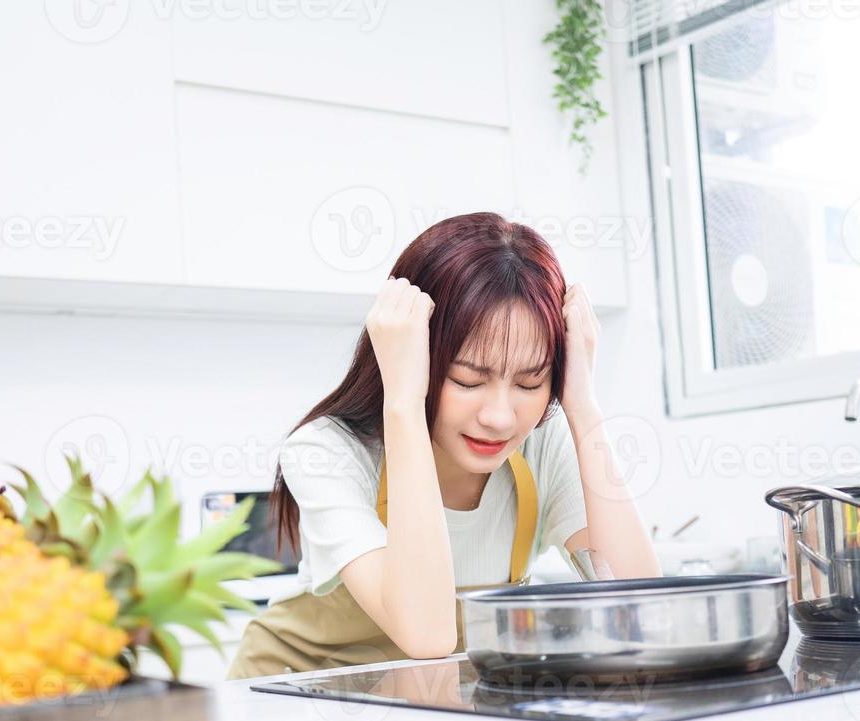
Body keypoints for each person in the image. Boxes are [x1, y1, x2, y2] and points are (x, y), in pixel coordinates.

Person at [227, 212, 659, 679]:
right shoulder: (326, 450)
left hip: (424, 704)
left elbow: (642, 609)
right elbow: (427, 635)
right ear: (418, 359)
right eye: (468, 380)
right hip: (291, 703)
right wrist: (403, 404)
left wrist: (582, 405)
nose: (499, 417)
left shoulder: (541, 444)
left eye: (530, 382)